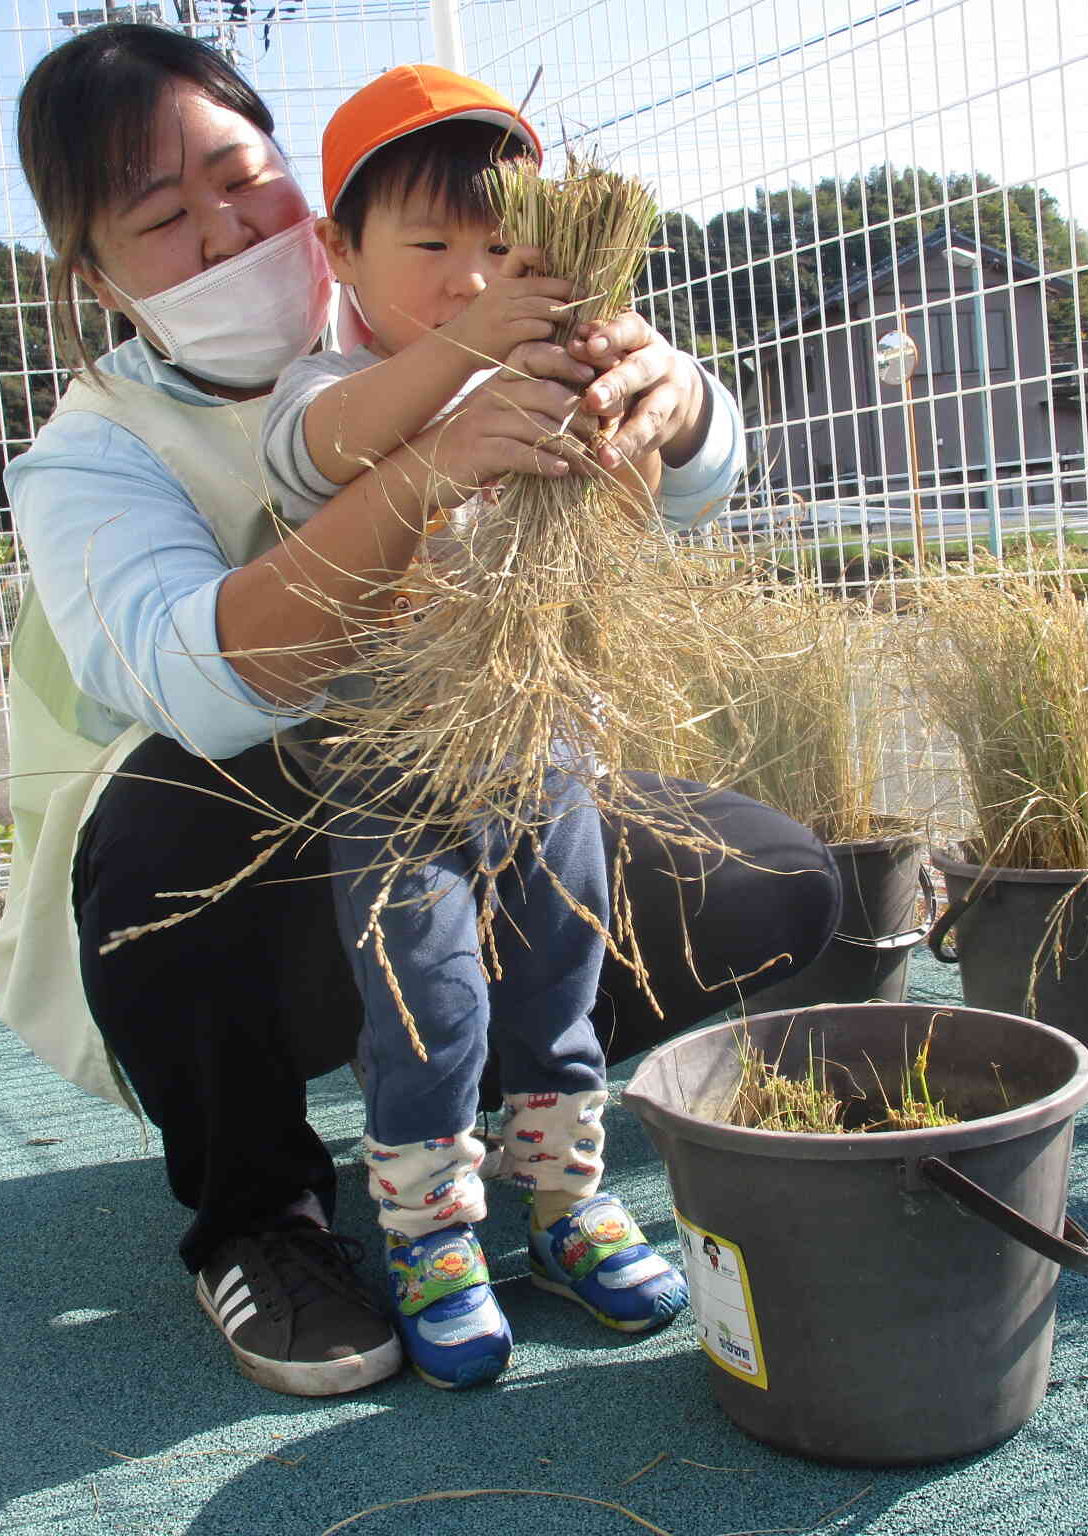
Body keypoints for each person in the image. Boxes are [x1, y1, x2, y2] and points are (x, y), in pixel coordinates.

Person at [0, 23, 840, 1401]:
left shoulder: (417, 287)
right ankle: (262, 1213)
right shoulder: (94, 453)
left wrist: (675, 403)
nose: (223, 235)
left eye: (240, 177)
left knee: (772, 881)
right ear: (93, 276)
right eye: (161, 219)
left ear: (312, 212)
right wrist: (432, 467)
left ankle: (527, 1136)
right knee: (173, 817)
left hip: (495, 792)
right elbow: (213, 680)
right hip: (231, 887)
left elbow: (681, 478)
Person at [252, 64, 687, 1392]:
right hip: (393, 768)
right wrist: (485, 339)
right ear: (340, 250)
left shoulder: (559, 375)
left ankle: (563, 1209)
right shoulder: (325, 388)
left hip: (545, 744)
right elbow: (327, 450)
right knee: (427, 999)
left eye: (500, 246)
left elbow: (623, 516)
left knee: (562, 983)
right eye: (430, 245)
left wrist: (629, 443)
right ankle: (436, 1240)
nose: (467, 275)